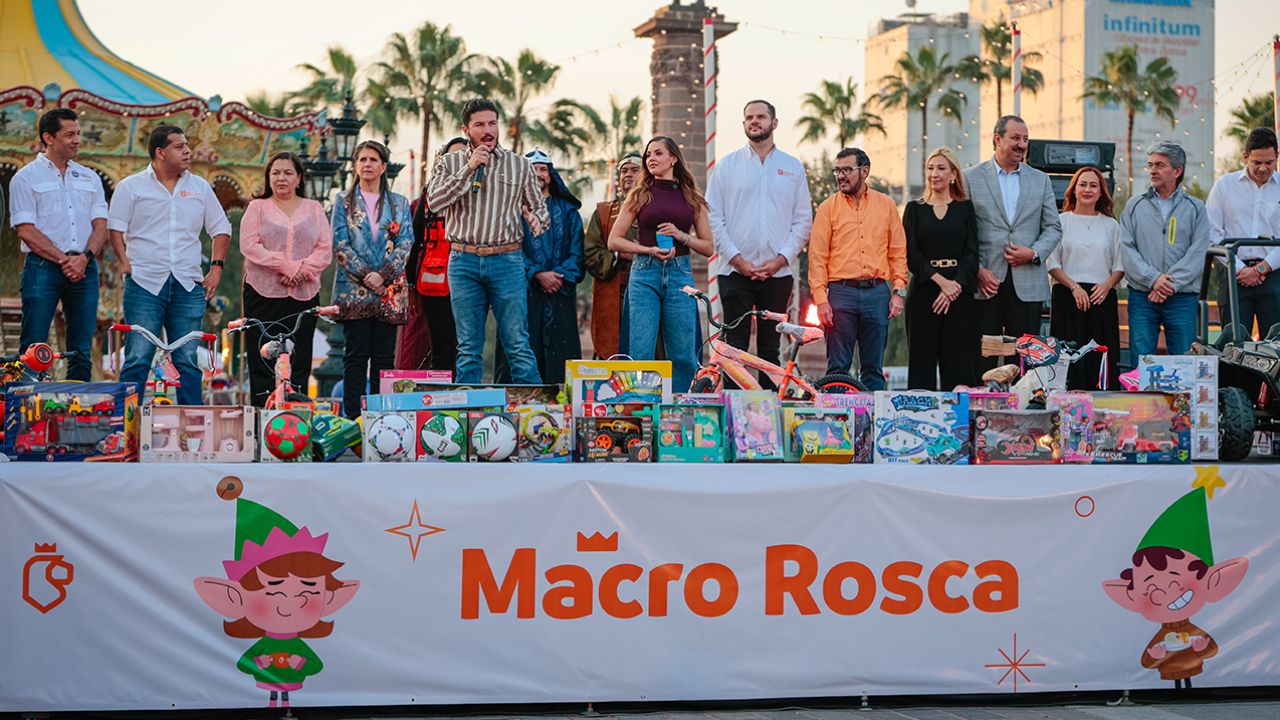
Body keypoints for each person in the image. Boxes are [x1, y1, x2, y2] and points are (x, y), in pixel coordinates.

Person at [426, 98, 549, 384]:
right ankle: (466, 411)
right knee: (468, 347)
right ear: (466, 129)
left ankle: (533, 416)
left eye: (492, 123)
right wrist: (468, 168)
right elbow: (434, 203)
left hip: (506, 260)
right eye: (480, 124)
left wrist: (536, 222)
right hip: (463, 261)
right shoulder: (450, 162)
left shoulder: (519, 165)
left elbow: (540, 209)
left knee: (517, 343)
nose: (488, 129)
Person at [109, 125, 232, 405]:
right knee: (137, 357)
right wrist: (124, 262)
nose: (188, 151)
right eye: (179, 146)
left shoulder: (199, 187)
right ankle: (126, 427)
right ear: (160, 152)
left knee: (188, 359)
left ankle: (194, 428)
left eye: (187, 145)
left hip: (188, 284)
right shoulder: (131, 186)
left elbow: (221, 228)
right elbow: (114, 228)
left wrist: (216, 269)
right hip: (143, 283)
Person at [706, 99, 812, 388]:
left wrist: (780, 260)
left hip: (777, 275)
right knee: (733, 349)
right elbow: (714, 217)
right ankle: (732, 418)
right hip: (734, 273)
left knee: (770, 350)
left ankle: (769, 421)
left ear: (774, 123)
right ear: (743, 125)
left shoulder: (792, 167)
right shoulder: (727, 166)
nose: (755, 121)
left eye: (761, 117)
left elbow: (803, 221)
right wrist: (738, 260)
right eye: (749, 117)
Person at [606, 136, 715, 392]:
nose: (651, 159)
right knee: (640, 350)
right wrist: (648, 250)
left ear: (673, 158)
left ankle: (679, 410)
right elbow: (614, 240)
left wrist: (681, 236)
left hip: (680, 273)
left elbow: (708, 247)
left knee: (682, 351)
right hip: (645, 273)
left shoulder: (692, 198)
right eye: (648, 155)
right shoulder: (640, 194)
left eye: (657, 154)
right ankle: (639, 408)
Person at [9, 108, 107, 381]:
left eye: (78, 133)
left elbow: (101, 226)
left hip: (84, 268)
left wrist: (84, 257)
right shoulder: (26, 178)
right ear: (48, 138)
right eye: (69, 134)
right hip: (43, 267)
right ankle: (25, 410)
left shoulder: (90, 177)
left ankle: (78, 411)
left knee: (81, 348)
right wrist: (65, 260)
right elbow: (26, 230)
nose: (77, 140)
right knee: (33, 345)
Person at [963, 115, 1062, 374]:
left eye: (1026, 139)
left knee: (1026, 359)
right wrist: (978, 269)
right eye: (1016, 138)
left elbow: (1053, 227)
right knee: (982, 354)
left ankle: (1025, 410)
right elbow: (964, 231)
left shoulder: (1040, 180)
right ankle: (980, 410)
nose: (1022, 144)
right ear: (997, 139)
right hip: (986, 282)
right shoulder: (970, 177)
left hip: (1028, 283)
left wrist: (1034, 252)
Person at [238, 152, 332, 406]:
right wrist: (286, 267)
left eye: (288, 173)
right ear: (268, 177)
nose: (281, 178)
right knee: (262, 357)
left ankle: (296, 417)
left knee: (299, 357)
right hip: (263, 292)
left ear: (299, 178)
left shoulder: (314, 209)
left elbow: (325, 248)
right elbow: (249, 245)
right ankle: (262, 420)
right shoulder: (257, 207)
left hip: (305, 294)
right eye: (275, 173)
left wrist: (303, 271)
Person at [808, 147, 906, 391]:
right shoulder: (827, 208)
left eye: (847, 170)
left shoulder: (886, 205)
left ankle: (872, 425)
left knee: (873, 368)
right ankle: (837, 426)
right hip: (840, 294)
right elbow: (817, 258)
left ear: (865, 171)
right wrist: (821, 300)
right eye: (837, 170)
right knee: (838, 368)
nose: (841, 176)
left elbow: (897, 252)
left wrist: (898, 291)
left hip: (877, 293)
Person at [330, 140, 413, 419]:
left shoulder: (399, 204)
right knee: (354, 357)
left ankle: (382, 419)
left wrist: (384, 275)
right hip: (355, 290)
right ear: (355, 165)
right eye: (362, 159)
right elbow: (340, 245)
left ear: (383, 166)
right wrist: (368, 276)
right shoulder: (343, 202)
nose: (367, 164)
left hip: (389, 291)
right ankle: (353, 419)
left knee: (383, 358)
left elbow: (406, 242)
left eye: (373, 160)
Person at [495, 149, 583, 384]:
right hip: (521, 294)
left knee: (560, 361)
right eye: (532, 170)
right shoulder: (508, 212)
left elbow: (578, 255)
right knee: (519, 352)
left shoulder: (569, 212)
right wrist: (537, 274)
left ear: (551, 174)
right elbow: (506, 250)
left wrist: (557, 277)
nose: (538, 174)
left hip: (560, 294)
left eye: (543, 169)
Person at [1119, 141, 1211, 357]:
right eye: (1150, 165)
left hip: (1182, 298)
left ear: (1177, 170)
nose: (1152, 170)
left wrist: (1169, 284)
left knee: (1184, 363)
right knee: (1140, 363)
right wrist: (1153, 280)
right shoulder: (1134, 205)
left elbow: (1198, 253)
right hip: (1142, 296)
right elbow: (1126, 248)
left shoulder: (1196, 208)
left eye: (1160, 165)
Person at [902, 147, 979, 390]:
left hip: (960, 294)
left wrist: (953, 286)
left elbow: (972, 253)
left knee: (958, 363)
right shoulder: (914, 209)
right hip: (925, 292)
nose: (934, 173)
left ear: (954, 174)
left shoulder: (965, 209)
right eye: (930, 168)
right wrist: (942, 283)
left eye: (941, 168)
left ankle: (959, 423)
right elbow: (911, 255)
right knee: (921, 362)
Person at [1047, 166, 1124, 390]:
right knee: (1067, 361)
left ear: (1101, 192)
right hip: (1067, 295)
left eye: (1093, 185)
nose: (1087, 189)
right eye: (1083, 184)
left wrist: (1107, 286)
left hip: (1102, 297)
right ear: (1073, 190)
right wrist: (1074, 287)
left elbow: (1120, 265)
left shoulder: (1111, 225)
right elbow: (1052, 264)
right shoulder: (1061, 221)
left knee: (1100, 360)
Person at [398, 136, 468, 372]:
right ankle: (443, 399)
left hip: (470, 279)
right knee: (441, 344)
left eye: (463, 155)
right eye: (452, 155)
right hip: (434, 280)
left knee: (468, 345)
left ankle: (467, 395)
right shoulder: (430, 194)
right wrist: (409, 283)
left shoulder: (480, 192)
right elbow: (414, 240)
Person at [1206, 127, 1280, 338]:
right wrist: (1238, 268)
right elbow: (1212, 231)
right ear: (1245, 157)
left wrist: (1261, 269)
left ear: (1277, 155)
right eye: (1257, 162)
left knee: (1276, 344)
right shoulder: (1224, 186)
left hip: (1274, 275)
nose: (1263, 168)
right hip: (1232, 273)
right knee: (1233, 342)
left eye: (1269, 162)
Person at [584, 152, 643, 359]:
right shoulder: (603, 213)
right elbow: (591, 254)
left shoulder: (656, 210)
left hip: (648, 291)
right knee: (612, 352)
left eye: (635, 170)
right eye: (624, 171)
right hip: (613, 292)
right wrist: (620, 254)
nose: (628, 175)